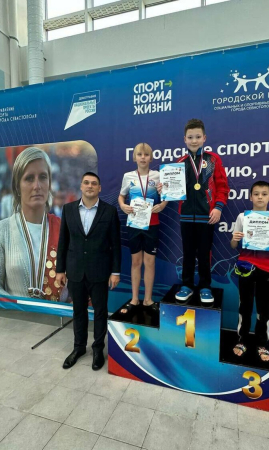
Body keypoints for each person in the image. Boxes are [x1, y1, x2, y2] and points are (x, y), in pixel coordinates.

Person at [56, 172, 121, 370]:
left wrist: (115, 272)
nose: (90, 186)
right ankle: (79, 348)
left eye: (94, 183)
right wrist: (60, 270)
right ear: (81, 186)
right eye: (86, 182)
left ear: (99, 188)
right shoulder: (68, 209)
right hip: (75, 270)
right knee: (78, 311)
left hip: (100, 271)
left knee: (100, 312)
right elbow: (63, 241)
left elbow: (116, 245)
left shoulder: (109, 211)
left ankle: (98, 349)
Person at [160, 118, 229, 303]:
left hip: (207, 216)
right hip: (186, 216)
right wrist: (164, 189)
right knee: (188, 253)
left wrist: (218, 208)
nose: (194, 140)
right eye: (190, 137)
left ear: (204, 138)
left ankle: (205, 286)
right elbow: (175, 191)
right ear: (184, 139)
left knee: (205, 254)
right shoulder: (180, 162)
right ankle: (187, 285)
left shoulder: (213, 159)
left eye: (198, 137)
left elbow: (223, 187)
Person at [0, 147, 63, 301]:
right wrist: (22, 307)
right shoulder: (2, 230)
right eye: (29, 178)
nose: (37, 186)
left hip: (59, 315)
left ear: (49, 183)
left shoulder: (65, 229)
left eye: (43, 177)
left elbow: (78, 284)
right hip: (17, 315)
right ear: (17, 186)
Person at [230, 181, 269, 362]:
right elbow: (233, 245)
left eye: (264, 194)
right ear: (250, 197)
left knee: (263, 308)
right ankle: (242, 340)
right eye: (256, 194)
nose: (260, 197)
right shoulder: (242, 217)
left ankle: (262, 343)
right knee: (245, 306)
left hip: (266, 268)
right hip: (245, 267)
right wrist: (235, 239)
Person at [118, 143, 167, 314]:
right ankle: (134, 299)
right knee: (136, 262)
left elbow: (167, 195)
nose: (143, 157)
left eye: (146, 154)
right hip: (134, 223)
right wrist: (123, 206)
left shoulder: (158, 176)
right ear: (134, 157)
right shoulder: (128, 176)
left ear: (151, 158)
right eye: (140, 154)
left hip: (152, 224)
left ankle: (148, 299)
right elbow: (121, 196)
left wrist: (163, 204)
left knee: (150, 262)